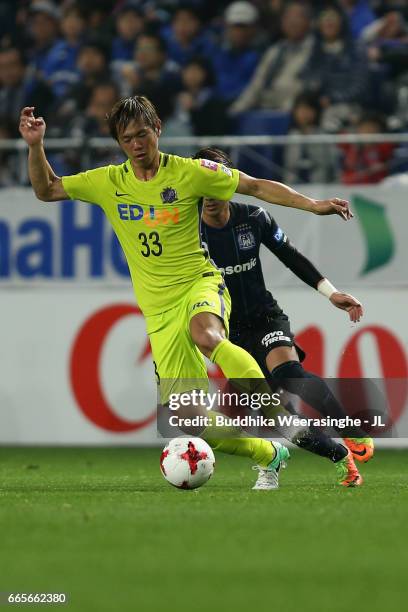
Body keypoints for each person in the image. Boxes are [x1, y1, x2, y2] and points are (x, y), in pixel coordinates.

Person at [19, 96, 353, 490]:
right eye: (128, 139)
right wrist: (36, 146)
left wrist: (313, 205)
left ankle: (271, 411)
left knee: (206, 335)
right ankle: (269, 453)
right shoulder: (107, 182)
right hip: (158, 310)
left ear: (158, 129)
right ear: (119, 143)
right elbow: (47, 189)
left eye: (143, 134)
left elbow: (256, 185)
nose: (137, 144)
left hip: (199, 283)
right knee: (189, 419)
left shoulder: (192, 172)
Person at [195, 146, 375, 485]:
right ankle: (340, 457)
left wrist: (331, 292)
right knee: (278, 414)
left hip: (265, 317)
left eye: (216, 184)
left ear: (230, 184)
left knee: (291, 374)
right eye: (201, 185)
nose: (209, 194)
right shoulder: (186, 230)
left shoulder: (253, 218)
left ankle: (349, 430)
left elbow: (291, 256)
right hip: (227, 333)